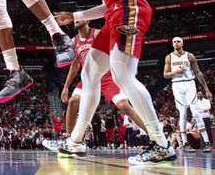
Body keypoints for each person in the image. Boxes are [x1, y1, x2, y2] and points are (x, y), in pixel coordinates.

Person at [43, 0, 175, 164]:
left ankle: (161, 143)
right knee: (90, 73)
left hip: (130, 9)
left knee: (123, 75)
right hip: (115, 13)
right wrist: (75, 16)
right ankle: (76, 141)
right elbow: (107, 6)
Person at [42, 17, 147, 155]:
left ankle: (154, 136)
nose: (76, 20)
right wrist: (66, 87)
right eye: (75, 19)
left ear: (87, 21)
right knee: (73, 101)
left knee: (124, 106)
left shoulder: (97, 34)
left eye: (80, 18)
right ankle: (69, 140)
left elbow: (115, 46)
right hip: (88, 77)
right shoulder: (74, 42)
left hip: (106, 76)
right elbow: (75, 65)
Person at [163, 36, 212, 152]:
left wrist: (206, 89)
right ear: (172, 44)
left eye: (178, 41)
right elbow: (165, 74)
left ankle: (206, 142)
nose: (176, 43)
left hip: (190, 83)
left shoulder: (189, 56)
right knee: (183, 113)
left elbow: (198, 73)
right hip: (177, 85)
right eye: (174, 41)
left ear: (182, 43)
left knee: (195, 111)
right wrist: (175, 71)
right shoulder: (169, 57)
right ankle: (185, 143)